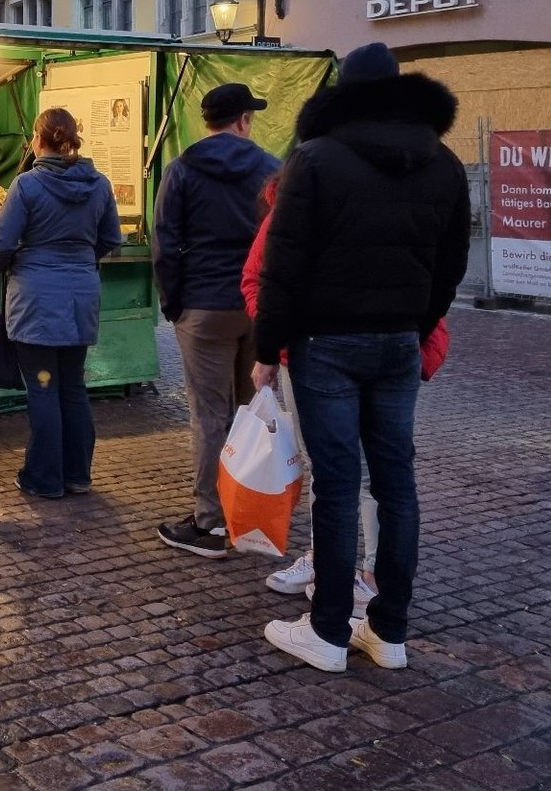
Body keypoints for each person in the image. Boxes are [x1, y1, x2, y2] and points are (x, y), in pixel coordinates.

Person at [254, 43, 469, 673]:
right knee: (397, 484)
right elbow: (451, 266)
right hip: (399, 340)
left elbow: (282, 266)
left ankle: (325, 632)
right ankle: (389, 633)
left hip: (326, 343)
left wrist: (269, 348)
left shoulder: (315, 159)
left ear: (342, 92)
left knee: (338, 485)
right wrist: (416, 323)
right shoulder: (444, 162)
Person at [242, 174, 454, 616]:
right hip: (326, 352)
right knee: (347, 469)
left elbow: (441, 269)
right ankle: (340, 578)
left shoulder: (403, 189)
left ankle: (359, 591)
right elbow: (262, 278)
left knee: (372, 472)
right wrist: (274, 344)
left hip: (357, 352)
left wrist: (419, 336)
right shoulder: (304, 195)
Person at [153, 83, 279, 557]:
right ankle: (249, 508)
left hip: (203, 307)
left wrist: (174, 303)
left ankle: (210, 520)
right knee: (251, 414)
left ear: (207, 121)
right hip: (256, 307)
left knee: (211, 416)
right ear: (244, 120)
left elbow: (165, 243)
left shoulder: (181, 169)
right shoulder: (271, 169)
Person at [0, 108, 122, 498]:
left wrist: (10, 262)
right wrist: (81, 259)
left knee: (43, 387)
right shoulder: (100, 184)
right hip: (81, 295)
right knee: (73, 387)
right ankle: (77, 474)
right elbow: (111, 237)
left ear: (39, 140)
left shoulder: (27, 186)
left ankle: (44, 478)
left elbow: (0, 242)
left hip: (36, 298)